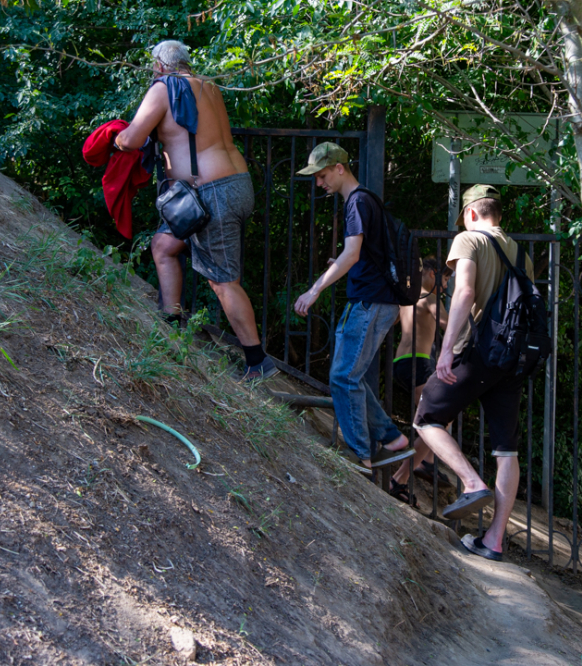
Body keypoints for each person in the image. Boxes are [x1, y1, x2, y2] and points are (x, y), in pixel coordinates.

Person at [114, 40, 275, 380]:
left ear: (159, 65)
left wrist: (114, 138)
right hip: (233, 186)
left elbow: (131, 139)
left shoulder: (164, 88)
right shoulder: (209, 87)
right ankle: (172, 326)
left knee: (223, 281)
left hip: (209, 194)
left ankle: (258, 363)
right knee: (164, 246)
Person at [413, 185, 533, 561]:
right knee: (506, 449)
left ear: (470, 214)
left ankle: (470, 481)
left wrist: (446, 350)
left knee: (427, 418)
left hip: (478, 351)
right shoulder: (520, 252)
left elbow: (463, 292)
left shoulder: (469, 240)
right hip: (512, 360)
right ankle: (493, 541)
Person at [292, 142, 414, 474]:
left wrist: (314, 290)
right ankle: (391, 438)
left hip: (371, 302)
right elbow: (362, 256)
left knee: (343, 377)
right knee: (351, 376)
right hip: (374, 299)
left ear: (340, 168)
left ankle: (359, 455)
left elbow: (352, 254)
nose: (319, 183)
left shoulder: (357, 202)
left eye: (322, 175)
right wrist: (346, 264)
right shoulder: (366, 201)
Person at [388, 256, 450, 504]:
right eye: (446, 279)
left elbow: (392, 320)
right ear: (433, 274)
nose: (446, 286)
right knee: (437, 421)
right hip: (419, 363)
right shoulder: (431, 298)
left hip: (401, 363)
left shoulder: (408, 297)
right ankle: (400, 478)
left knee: (436, 418)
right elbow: (449, 324)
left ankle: (428, 461)